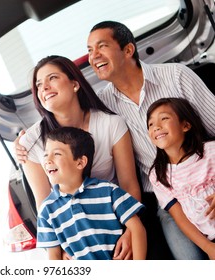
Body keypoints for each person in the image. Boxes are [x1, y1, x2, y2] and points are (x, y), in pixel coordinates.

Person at [86, 20, 215, 259]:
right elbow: (66, 121)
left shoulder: (176, 76)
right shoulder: (102, 107)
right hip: (168, 201)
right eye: (89, 50)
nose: (93, 56)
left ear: (127, 50)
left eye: (101, 46)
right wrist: (25, 141)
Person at [16, 55, 141, 259]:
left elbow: (129, 183)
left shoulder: (111, 123)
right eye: (39, 85)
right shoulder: (30, 142)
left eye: (52, 78)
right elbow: (44, 203)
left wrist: (130, 232)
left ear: (75, 84)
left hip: (117, 220)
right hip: (74, 237)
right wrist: (60, 249)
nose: (44, 88)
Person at [37, 126, 146, 260]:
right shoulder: (46, 210)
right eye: (46, 154)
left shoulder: (108, 191)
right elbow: (54, 257)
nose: (48, 160)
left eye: (57, 154)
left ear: (80, 162)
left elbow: (137, 229)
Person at [147, 98, 215, 259]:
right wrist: (208, 248)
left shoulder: (210, 151)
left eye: (164, 118)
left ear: (185, 125)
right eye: (150, 124)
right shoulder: (158, 175)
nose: (156, 126)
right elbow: (180, 218)